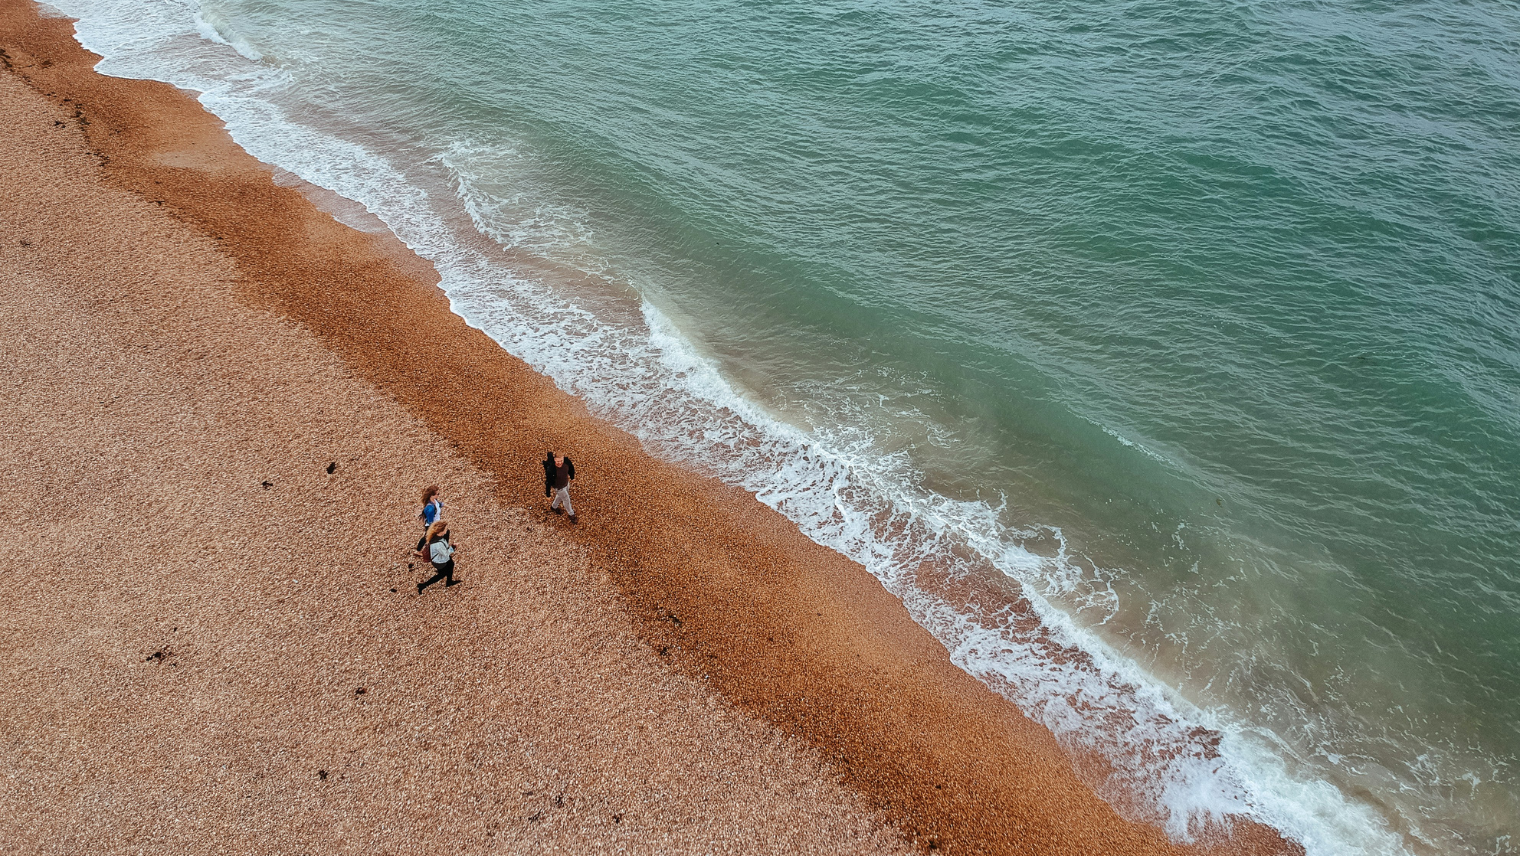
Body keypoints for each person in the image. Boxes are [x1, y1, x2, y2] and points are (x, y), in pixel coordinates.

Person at [416, 519, 460, 593]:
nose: (447, 530)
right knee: (441, 574)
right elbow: (446, 553)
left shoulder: (437, 537)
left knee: (451, 564)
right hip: (440, 561)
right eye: (445, 529)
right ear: (440, 531)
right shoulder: (438, 544)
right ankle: (423, 585)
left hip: (442, 558)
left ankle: (449, 582)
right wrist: (453, 547)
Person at [542, 450, 576, 523]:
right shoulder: (551, 469)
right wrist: (548, 495)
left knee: (561, 496)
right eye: (557, 461)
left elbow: (571, 468)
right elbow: (548, 482)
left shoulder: (566, 462)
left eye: (561, 461)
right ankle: (571, 514)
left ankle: (554, 507)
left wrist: (572, 477)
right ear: (554, 460)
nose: (560, 463)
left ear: (563, 459)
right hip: (558, 487)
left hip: (566, 483)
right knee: (566, 499)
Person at [416, 485, 444, 551]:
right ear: (432, 495)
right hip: (432, 525)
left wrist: (452, 507)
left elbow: (440, 504)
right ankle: (419, 550)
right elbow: (430, 521)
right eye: (438, 494)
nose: (439, 495)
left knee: (443, 533)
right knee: (427, 537)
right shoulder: (430, 508)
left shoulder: (435, 501)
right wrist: (434, 528)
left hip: (436, 523)